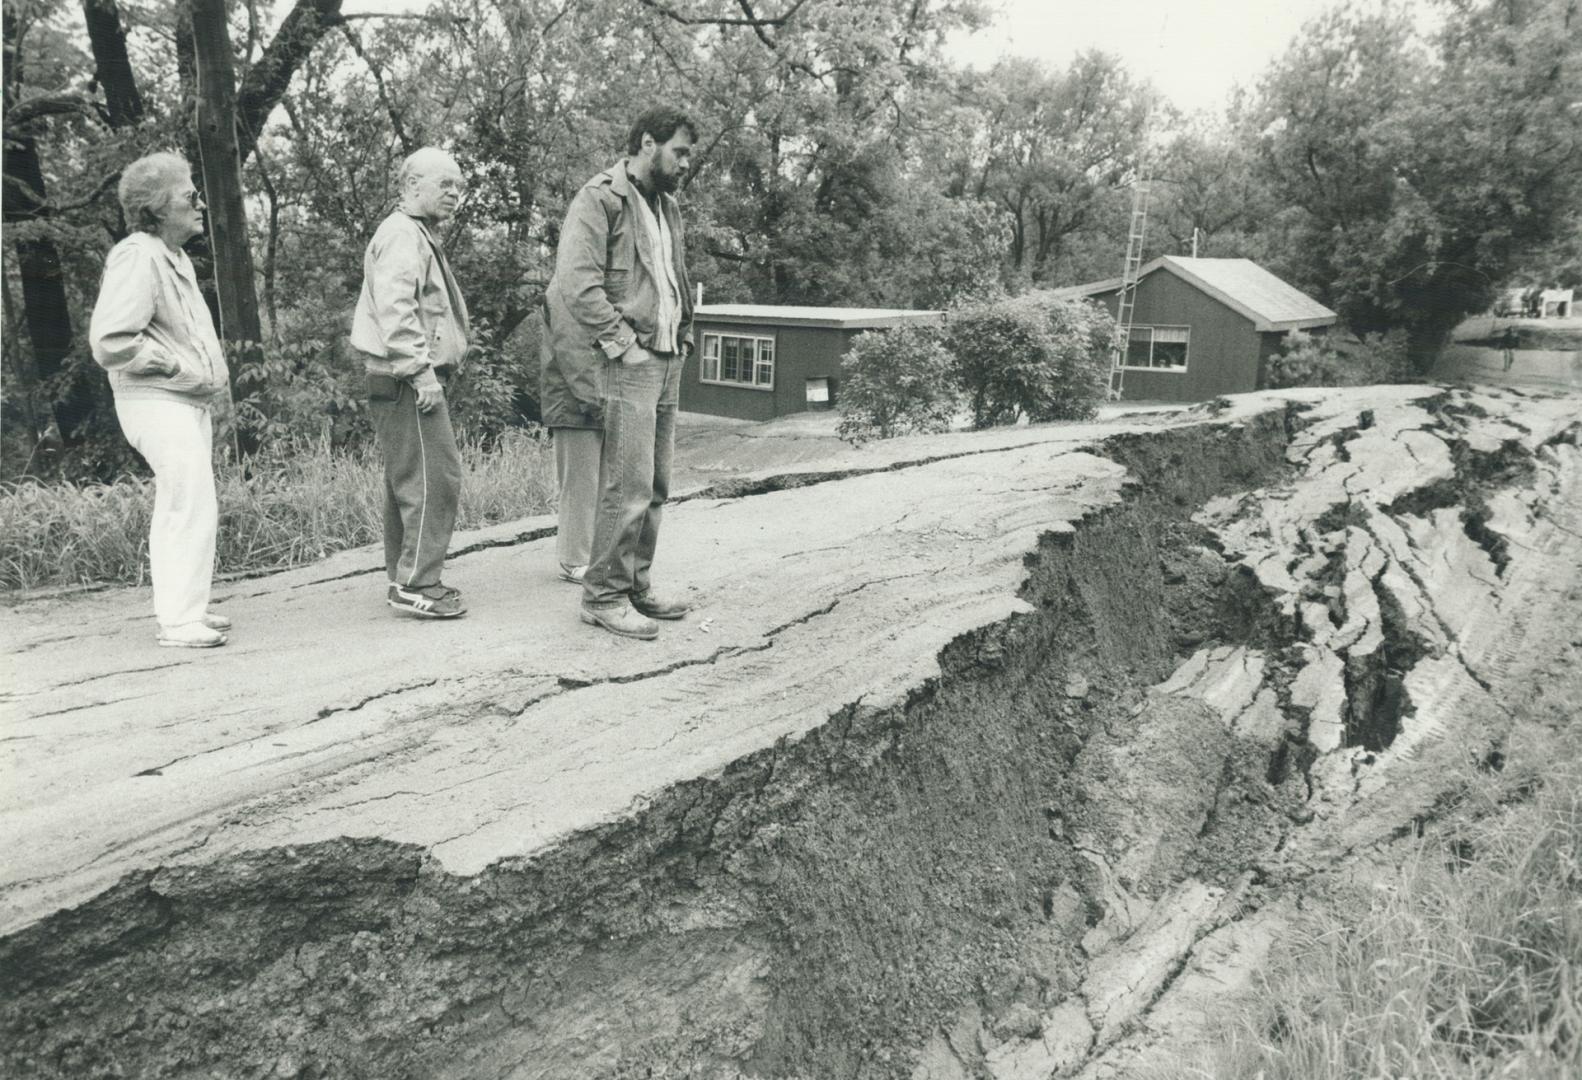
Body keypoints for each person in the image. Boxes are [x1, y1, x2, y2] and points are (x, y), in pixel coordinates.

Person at [543, 106, 698, 640]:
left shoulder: (667, 206)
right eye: (678, 152)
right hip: (630, 362)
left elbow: (675, 277)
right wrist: (622, 343)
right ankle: (604, 597)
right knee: (625, 485)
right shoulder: (598, 198)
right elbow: (575, 283)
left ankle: (636, 586)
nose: (684, 164)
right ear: (647, 142)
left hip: (667, 356)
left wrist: (685, 334)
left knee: (655, 484)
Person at [89, 152, 232, 648]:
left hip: (183, 402)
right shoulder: (138, 254)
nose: (202, 204)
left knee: (195, 499)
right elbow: (110, 340)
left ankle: (188, 608)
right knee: (184, 500)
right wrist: (171, 366)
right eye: (190, 196)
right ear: (157, 206)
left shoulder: (173, 256)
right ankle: (177, 621)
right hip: (155, 399)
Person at [350, 147, 471, 619]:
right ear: (411, 185)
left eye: (459, 187)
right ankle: (418, 582)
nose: (455, 195)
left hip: (398, 377)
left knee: (409, 478)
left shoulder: (413, 233)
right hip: (406, 377)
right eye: (446, 185)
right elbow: (396, 310)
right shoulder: (403, 234)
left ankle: (404, 577)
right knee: (435, 478)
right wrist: (422, 373)